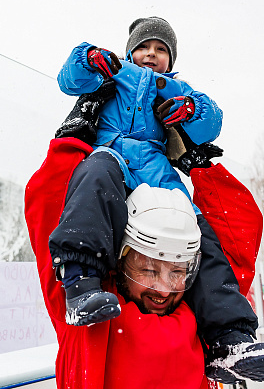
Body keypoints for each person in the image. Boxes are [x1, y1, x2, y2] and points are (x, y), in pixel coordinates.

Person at [24, 137, 264, 386]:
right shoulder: (88, 309)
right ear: (120, 262)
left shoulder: (204, 314)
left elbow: (239, 233)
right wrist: (73, 139)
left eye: (178, 271)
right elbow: (52, 207)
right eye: (148, 270)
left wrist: (200, 167)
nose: (163, 288)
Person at [51, 16, 225, 327]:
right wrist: (88, 59)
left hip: (155, 164)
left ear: (170, 58)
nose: (151, 54)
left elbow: (211, 123)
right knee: (96, 176)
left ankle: (228, 328)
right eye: (143, 47)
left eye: (161, 49)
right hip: (111, 151)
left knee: (191, 219)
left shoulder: (177, 88)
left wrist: (191, 109)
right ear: (130, 52)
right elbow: (69, 81)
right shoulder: (113, 73)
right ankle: (81, 284)